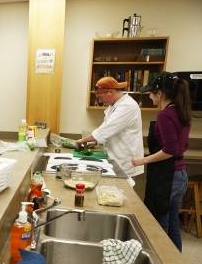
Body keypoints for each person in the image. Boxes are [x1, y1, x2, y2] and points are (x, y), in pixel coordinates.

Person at [132, 72, 191, 251]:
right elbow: (180, 146)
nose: (150, 96)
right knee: (173, 225)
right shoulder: (181, 112)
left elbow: (170, 150)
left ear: (160, 93)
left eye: (151, 93)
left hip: (168, 178)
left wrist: (142, 160)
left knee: (159, 227)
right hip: (180, 175)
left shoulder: (165, 115)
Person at [76, 76, 144, 183]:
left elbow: (106, 129)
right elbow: (107, 128)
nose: (100, 101)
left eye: (100, 97)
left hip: (125, 160)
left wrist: (82, 140)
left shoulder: (127, 106)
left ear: (109, 93)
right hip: (115, 157)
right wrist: (95, 140)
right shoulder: (114, 105)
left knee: (121, 194)